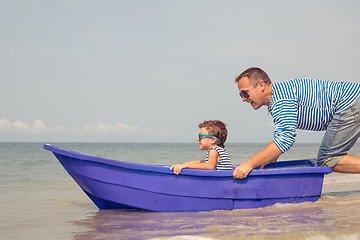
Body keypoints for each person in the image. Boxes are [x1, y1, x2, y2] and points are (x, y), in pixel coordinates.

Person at [233, 67, 360, 179]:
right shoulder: (281, 95)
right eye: (241, 95)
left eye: (245, 93)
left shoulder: (281, 100)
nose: (244, 99)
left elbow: (285, 140)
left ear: (261, 85)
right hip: (354, 101)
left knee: (328, 159)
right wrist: (270, 155)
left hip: (350, 104)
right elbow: (283, 135)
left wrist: (249, 164)